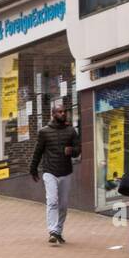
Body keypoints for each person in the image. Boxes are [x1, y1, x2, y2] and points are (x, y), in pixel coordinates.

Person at [29, 100, 81, 245]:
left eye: (64, 111)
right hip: (50, 171)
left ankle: (58, 230)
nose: (63, 113)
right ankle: (52, 231)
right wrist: (33, 169)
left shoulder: (71, 131)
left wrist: (72, 151)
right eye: (60, 111)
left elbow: (78, 151)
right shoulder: (44, 132)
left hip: (66, 172)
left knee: (63, 205)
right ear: (53, 114)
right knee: (52, 201)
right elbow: (38, 152)